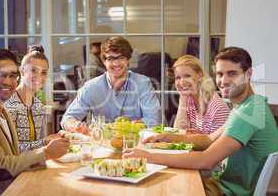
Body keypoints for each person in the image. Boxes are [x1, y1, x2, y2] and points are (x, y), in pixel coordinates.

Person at [122, 47, 278, 196]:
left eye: (232, 74)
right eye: (219, 74)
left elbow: (206, 161)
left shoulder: (248, 112)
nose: (223, 81)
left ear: (248, 73)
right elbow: (209, 139)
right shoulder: (248, 106)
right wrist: (167, 137)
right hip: (221, 184)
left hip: (226, 191)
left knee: (155, 186)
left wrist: (148, 156)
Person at [0, 48, 69, 195]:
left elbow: (13, 155)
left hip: (17, 182)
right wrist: (45, 150)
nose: (7, 81)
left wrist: (46, 144)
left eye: (12, 75)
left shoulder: (2, 107)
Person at [61, 36, 161, 134]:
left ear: (128, 60)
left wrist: (129, 127)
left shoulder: (143, 84)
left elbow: (153, 120)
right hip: (100, 146)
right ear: (104, 61)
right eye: (111, 58)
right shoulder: (91, 87)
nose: (116, 63)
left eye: (121, 57)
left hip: (135, 144)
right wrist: (75, 125)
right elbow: (67, 118)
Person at [4, 45, 60, 153]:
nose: (39, 76)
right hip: (12, 169)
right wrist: (45, 142)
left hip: (33, 166)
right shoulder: (8, 103)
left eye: (43, 72)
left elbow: (36, 147)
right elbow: (10, 149)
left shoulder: (38, 106)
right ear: (22, 71)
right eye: (33, 70)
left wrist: (52, 141)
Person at [173, 55, 230, 134]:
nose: (182, 82)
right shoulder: (189, 100)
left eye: (187, 76)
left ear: (199, 75)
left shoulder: (217, 107)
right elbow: (178, 132)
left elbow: (218, 143)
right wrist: (183, 99)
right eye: (178, 78)